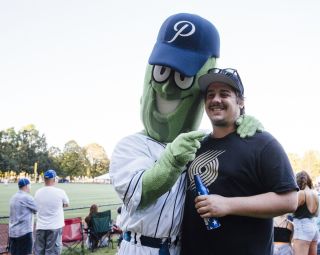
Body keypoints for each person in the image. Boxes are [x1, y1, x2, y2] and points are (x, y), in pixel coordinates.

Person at [110, 13, 263, 255]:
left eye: (182, 77)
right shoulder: (130, 145)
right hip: (140, 246)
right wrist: (171, 161)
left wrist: (244, 123)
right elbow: (138, 194)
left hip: (183, 247)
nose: (166, 87)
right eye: (161, 73)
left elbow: (227, 139)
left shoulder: (201, 141)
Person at [181, 68, 298, 255]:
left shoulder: (263, 143)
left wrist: (227, 205)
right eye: (210, 95)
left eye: (224, 94)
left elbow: (290, 200)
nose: (215, 99)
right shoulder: (195, 145)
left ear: (241, 102)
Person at [34, 169, 69, 255]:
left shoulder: (37, 192)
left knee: (39, 251)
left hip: (40, 226)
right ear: (54, 179)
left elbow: (36, 207)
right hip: (55, 227)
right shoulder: (60, 192)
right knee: (52, 252)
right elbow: (66, 204)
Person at [293, 170, 319, 255]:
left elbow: (290, 208)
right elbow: (317, 214)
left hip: (303, 228)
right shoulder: (314, 193)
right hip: (313, 228)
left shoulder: (301, 193)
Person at [8, 178, 37, 255]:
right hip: (24, 232)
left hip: (12, 232)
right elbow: (37, 209)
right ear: (26, 186)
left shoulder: (13, 197)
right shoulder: (27, 197)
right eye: (30, 185)